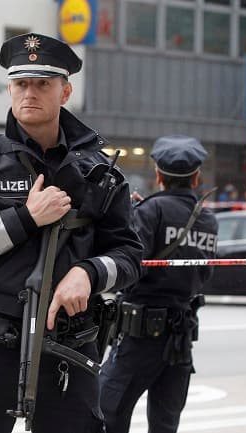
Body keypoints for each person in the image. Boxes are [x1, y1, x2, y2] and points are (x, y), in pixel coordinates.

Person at [0, 33, 143, 433]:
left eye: (43, 83)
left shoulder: (99, 172)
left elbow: (130, 255)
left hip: (70, 344)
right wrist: (23, 219)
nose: (30, 92)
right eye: (21, 83)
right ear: (9, 88)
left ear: (65, 91)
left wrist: (90, 273)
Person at [99, 135, 219, 433]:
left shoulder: (150, 211)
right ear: (196, 177)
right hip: (181, 338)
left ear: (158, 175)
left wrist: (134, 217)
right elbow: (203, 275)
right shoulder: (208, 220)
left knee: (106, 413)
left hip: (141, 336)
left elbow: (130, 266)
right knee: (165, 424)